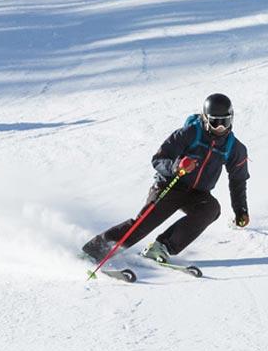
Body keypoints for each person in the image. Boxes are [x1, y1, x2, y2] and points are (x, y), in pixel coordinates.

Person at [83, 93, 250, 265]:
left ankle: (162, 247)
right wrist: (176, 167)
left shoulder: (234, 148)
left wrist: (241, 210)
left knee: (210, 209)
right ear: (206, 119)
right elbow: (158, 159)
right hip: (170, 185)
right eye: (216, 122)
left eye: (225, 122)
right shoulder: (189, 134)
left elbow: (238, 180)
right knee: (143, 224)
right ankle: (94, 251)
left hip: (197, 193)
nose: (220, 128)